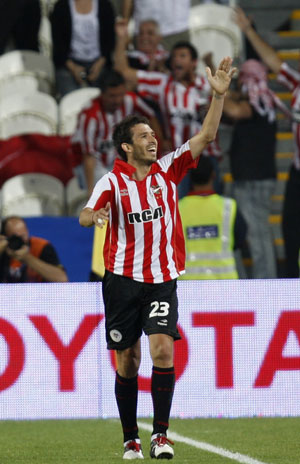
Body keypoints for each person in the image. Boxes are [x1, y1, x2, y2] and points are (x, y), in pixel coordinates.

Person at [79, 56, 235, 459]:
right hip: (122, 281)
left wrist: (218, 96)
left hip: (162, 278)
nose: (154, 140)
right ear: (127, 147)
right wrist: (94, 215)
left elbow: (207, 134)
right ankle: (130, 437)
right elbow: (84, 212)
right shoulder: (111, 181)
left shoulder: (169, 169)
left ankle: (160, 435)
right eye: (144, 136)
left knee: (163, 350)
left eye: (154, 133)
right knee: (127, 361)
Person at [114, 20, 222, 198]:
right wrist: (121, 39)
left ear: (194, 62)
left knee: (208, 212)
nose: (176, 60)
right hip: (177, 159)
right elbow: (123, 72)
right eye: (175, 57)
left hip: (207, 157)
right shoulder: (162, 83)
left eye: (182, 56)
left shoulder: (207, 85)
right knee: (176, 211)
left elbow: (228, 102)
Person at [233, 6, 300, 278]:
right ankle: (291, 290)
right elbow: (274, 63)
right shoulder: (297, 84)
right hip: (297, 171)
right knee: (289, 230)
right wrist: (248, 30)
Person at [222, 58, 291, 279]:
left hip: (254, 180)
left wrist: (218, 91)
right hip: (252, 178)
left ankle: (266, 284)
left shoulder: (257, 100)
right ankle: (260, 280)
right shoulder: (263, 99)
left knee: (257, 236)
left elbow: (234, 111)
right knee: (252, 234)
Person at [71, 69, 162, 196]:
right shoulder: (90, 116)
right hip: (95, 163)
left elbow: (151, 116)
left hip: (119, 159)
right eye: (112, 96)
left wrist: (159, 144)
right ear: (102, 94)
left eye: (120, 95)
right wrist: (91, 192)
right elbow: (88, 156)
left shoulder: (130, 100)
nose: (117, 100)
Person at [179, 155, 247, 279]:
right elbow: (239, 240)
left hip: (188, 286)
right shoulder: (229, 207)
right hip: (225, 285)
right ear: (213, 175)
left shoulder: (177, 209)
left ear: (190, 178)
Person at [50, 0, 116, 98]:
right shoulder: (61, 7)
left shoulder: (104, 5)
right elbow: (58, 44)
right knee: (71, 98)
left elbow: (110, 39)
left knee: (105, 96)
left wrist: (100, 64)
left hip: (99, 63)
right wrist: (73, 68)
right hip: (68, 64)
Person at [0, 216, 68, 283]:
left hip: (37, 292)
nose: (20, 240)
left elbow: (62, 279)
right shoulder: (3, 250)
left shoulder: (41, 246)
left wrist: (27, 258)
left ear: (27, 231)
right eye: (14, 238)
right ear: (5, 237)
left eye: (23, 235)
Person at [121, 0, 191, 50]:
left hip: (177, 29)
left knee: (179, 67)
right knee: (143, 68)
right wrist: (125, 29)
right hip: (144, 32)